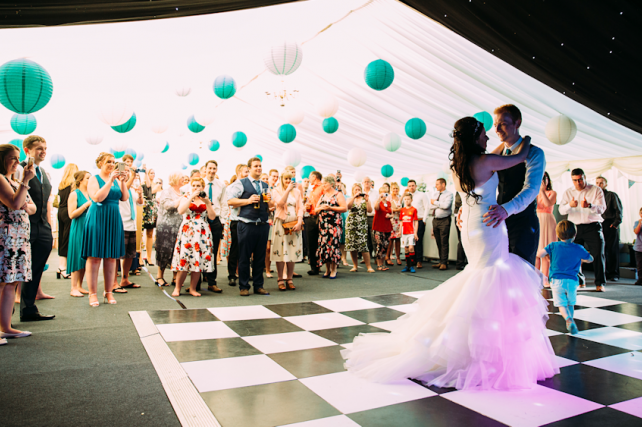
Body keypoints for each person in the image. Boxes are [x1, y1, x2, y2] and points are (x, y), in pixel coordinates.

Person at [342, 117, 558, 390]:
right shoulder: (486, 160)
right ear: (475, 137)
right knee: (491, 276)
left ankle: (463, 341)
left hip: (469, 223)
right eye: (484, 134)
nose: (489, 137)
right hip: (489, 223)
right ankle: (483, 350)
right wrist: (524, 137)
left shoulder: (457, 165)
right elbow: (523, 155)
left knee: (479, 275)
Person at [482, 104, 546, 266]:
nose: (497, 128)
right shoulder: (496, 155)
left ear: (517, 123)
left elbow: (531, 189)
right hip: (500, 221)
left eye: (502, 123)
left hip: (524, 222)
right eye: (495, 124)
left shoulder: (534, 153)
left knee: (521, 272)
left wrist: (506, 209)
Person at [0, 144, 36, 339]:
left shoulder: (14, 181)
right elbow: (15, 204)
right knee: (1, 282)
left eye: (17, 157)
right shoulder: (1, 179)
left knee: (11, 282)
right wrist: (24, 182)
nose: (16, 162)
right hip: (5, 237)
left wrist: (21, 198)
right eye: (12, 158)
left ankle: (6, 327)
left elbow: (33, 208)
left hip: (19, 237)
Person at [83, 152, 128, 307]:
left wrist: (122, 182)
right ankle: (92, 293)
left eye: (113, 161)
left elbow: (124, 198)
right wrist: (110, 180)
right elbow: (97, 198)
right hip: (98, 217)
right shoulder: (94, 179)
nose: (111, 164)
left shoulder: (116, 180)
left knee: (111, 257)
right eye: (108, 161)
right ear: (100, 163)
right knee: (94, 257)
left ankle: (108, 292)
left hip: (114, 217)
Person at [226, 157, 274, 296]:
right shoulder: (241, 183)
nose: (259, 168)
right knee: (244, 256)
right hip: (246, 224)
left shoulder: (265, 185)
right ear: (250, 168)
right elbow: (230, 201)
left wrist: (270, 202)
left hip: (263, 224)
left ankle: (259, 285)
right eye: (256, 166)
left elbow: (270, 207)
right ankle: (244, 286)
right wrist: (248, 201)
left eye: (260, 166)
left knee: (260, 257)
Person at [19, 136, 55, 321]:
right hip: (23, 227)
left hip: (42, 227)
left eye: (45, 148)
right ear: (27, 150)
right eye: (39, 148)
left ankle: (29, 309)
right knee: (17, 270)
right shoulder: (19, 170)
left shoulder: (45, 173)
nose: (43, 151)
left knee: (36, 269)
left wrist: (48, 227)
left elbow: (47, 202)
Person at [537, 220, 593, 335]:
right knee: (570, 303)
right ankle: (571, 321)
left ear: (557, 234)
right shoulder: (578, 248)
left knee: (561, 304)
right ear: (575, 235)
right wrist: (582, 258)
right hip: (572, 281)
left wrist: (549, 256)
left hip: (556, 281)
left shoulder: (553, 246)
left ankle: (568, 319)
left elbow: (539, 254)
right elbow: (590, 259)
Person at [558, 168, 607, 291]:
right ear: (572, 180)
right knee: (574, 255)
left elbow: (602, 209)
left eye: (580, 180)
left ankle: (600, 283)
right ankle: (580, 281)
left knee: (598, 254)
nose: (578, 183)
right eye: (575, 180)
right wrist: (570, 205)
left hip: (593, 226)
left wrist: (590, 206)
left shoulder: (596, 190)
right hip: (575, 227)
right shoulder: (568, 192)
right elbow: (561, 210)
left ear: (585, 177)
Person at [170, 177, 217, 297]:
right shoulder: (185, 197)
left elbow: (212, 217)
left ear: (203, 187)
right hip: (188, 231)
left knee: (198, 261)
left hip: (202, 232)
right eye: (194, 185)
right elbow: (180, 211)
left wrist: (207, 203)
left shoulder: (206, 200)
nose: (196, 188)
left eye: (199, 186)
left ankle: (193, 288)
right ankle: (177, 288)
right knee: (184, 261)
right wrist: (190, 197)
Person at [112, 167, 144, 293]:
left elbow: (140, 203)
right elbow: (121, 194)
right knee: (116, 255)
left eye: (127, 170)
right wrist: (130, 178)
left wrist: (140, 194)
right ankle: (113, 282)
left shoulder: (131, 187)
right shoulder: (116, 184)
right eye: (123, 170)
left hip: (132, 223)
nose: (126, 172)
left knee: (130, 254)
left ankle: (125, 279)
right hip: (121, 223)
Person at [271, 171, 304, 290]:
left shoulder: (297, 192)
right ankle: (280, 278)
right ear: (282, 179)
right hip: (281, 222)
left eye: (291, 179)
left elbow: (300, 207)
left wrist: (300, 221)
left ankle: (289, 278)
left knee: (292, 250)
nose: (288, 181)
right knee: (280, 251)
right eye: (286, 179)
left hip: (294, 222)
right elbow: (280, 203)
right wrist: (287, 190)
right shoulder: (276, 190)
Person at [154, 172, 184, 287]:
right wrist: (181, 200)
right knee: (164, 251)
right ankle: (159, 276)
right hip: (165, 226)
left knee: (176, 251)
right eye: (182, 177)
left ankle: (175, 276)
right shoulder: (166, 191)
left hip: (178, 225)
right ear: (176, 179)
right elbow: (168, 205)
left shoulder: (181, 192)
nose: (183, 179)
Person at [202, 160, 226, 293]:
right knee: (199, 249)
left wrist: (221, 222)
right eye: (209, 168)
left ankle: (212, 282)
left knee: (213, 250)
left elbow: (224, 204)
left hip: (215, 220)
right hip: (201, 220)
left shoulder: (221, 185)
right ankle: (197, 282)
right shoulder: (199, 183)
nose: (212, 171)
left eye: (214, 168)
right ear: (205, 169)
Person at [66, 170, 92, 297]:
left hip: (89, 228)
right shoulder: (74, 194)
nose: (90, 180)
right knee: (77, 256)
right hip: (79, 226)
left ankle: (80, 286)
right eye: (87, 178)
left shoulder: (91, 194)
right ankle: (73, 287)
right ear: (81, 180)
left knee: (85, 257)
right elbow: (71, 214)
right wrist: (86, 205)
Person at [315, 175, 346, 278]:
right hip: (323, 225)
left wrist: (331, 208)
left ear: (331, 184)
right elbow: (315, 209)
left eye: (325, 183)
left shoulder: (338, 194)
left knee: (333, 245)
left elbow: (344, 208)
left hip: (334, 224)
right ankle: (327, 269)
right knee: (324, 246)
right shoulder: (322, 195)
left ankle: (334, 269)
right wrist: (321, 208)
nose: (323, 185)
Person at [596, 176, 623, 281]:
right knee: (602, 250)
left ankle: (614, 274)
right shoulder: (595, 196)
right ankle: (604, 274)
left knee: (612, 250)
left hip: (610, 224)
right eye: (597, 183)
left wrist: (616, 223)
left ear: (605, 184)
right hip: (598, 224)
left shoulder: (611, 195)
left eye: (601, 183)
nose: (599, 185)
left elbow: (619, 210)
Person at [227, 163, 249, 286]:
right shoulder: (232, 187)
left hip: (248, 220)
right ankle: (231, 275)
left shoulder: (250, 186)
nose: (247, 174)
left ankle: (244, 273)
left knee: (246, 249)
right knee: (235, 249)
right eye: (245, 172)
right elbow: (231, 203)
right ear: (239, 172)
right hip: (236, 220)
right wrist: (247, 201)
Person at [345, 183, 375, 273]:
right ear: (353, 191)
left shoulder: (365, 199)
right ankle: (355, 266)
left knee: (363, 246)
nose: (357, 191)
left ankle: (369, 266)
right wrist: (354, 197)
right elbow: (347, 207)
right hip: (351, 224)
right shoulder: (350, 199)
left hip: (361, 225)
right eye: (356, 190)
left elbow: (370, 210)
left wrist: (367, 200)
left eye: (359, 190)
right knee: (352, 246)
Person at [56, 162, 78, 279]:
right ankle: (63, 267)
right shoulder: (73, 185)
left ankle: (62, 266)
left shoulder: (61, 185)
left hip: (60, 212)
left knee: (62, 238)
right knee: (67, 239)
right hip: (69, 212)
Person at [427, 178, 453, 270]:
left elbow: (446, 206)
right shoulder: (435, 194)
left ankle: (444, 263)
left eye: (437, 184)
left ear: (443, 185)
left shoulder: (449, 194)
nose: (435, 186)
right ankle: (441, 261)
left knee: (444, 241)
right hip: (435, 220)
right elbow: (430, 206)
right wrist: (439, 204)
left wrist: (435, 203)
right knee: (438, 241)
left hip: (444, 220)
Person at [535, 172, 557, 282]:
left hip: (548, 221)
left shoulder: (552, 193)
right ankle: (535, 278)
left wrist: (542, 191)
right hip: (537, 219)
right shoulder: (533, 192)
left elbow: (548, 204)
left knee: (546, 251)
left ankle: (545, 278)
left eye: (545, 178)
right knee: (536, 251)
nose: (543, 181)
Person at [304, 171, 324, 275]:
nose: (308, 179)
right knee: (311, 243)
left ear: (314, 177)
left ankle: (320, 265)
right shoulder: (311, 190)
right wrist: (308, 207)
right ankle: (314, 266)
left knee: (320, 242)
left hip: (319, 216)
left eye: (309, 177)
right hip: (311, 216)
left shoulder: (322, 187)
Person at [405, 179, 428, 268]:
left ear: (416, 186)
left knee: (418, 241)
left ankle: (419, 261)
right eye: (410, 186)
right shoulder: (407, 197)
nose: (411, 187)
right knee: (410, 242)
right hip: (409, 222)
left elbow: (427, 207)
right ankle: (412, 260)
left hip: (419, 220)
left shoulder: (422, 195)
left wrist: (424, 220)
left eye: (413, 185)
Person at [141, 167, 162, 265]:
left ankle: (149, 257)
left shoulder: (156, 185)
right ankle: (140, 257)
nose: (153, 175)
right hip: (142, 208)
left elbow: (152, 193)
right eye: (150, 173)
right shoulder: (142, 184)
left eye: (154, 173)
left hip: (152, 210)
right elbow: (147, 193)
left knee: (150, 234)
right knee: (140, 234)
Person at [373, 187, 393, 271]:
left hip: (387, 226)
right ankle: (379, 264)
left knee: (385, 246)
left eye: (386, 193)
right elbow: (376, 208)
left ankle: (383, 264)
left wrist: (390, 216)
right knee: (379, 246)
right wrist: (379, 198)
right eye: (382, 193)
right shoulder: (378, 202)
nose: (384, 194)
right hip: (379, 226)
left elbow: (392, 213)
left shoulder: (388, 203)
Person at [400, 192, 419, 273]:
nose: (407, 201)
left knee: (411, 248)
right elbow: (401, 222)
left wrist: (415, 233)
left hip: (411, 232)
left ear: (411, 200)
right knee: (406, 249)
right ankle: (407, 265)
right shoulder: (402, 210)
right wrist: (399, 231)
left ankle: (412, 266)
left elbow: (416, 222)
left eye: (408, 199)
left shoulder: (413, 209)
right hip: (404, 233)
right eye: (405, 199)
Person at [265, 169, 279, 278]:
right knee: (267, 247)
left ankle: (269, 268)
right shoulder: (266, 189)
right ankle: (267, 269)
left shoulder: (278, 189)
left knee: (273, 247)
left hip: (276, 219)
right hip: (267, 219)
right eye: (273, 176)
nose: (275, 178)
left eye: (276, 176)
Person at [362, 176, 379, 258]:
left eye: (368, 181)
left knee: (374, 237)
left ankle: (376, 256)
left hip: (372, 217)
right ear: (362, 183)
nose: (366, 183)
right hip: (362, 217)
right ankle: (366, 257)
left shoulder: (375, 192)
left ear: (371, 182)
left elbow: (377, 204)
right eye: (365, 181)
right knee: (365, 238)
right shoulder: (360, 192)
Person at [386, 182, 402, 266]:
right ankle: (387, 257)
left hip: (398, 220)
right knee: (391, 239)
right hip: (391, 220)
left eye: (396, 188)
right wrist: (396, 210)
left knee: (398, 239)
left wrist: (398, 210)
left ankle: (398, 257)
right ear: (391, 189)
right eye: (393, 188)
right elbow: (388, 208)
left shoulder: (400, 198)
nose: (395, 190)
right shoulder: (389, 197)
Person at [453, 193, 467, 270]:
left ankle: (465, 262)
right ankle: (460, 263)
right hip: (461, 216)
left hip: (470, 215)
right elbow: (458, 202)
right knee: (462, 240)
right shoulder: (460, 189)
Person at [633, 208, 642, 286]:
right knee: (639, 265)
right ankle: (640, 279)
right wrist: (640, 223)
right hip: (639, 247)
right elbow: (636, 231)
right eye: (641, 213)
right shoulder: (637, 222)